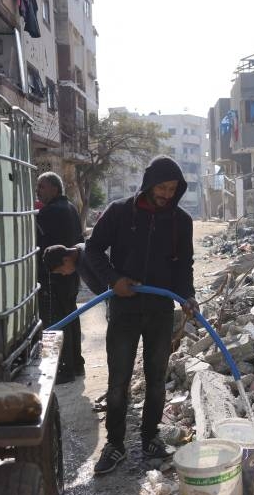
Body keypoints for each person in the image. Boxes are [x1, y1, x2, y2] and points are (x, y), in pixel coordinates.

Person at [85, 155, 198, 475]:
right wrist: (113, 280)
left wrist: (187, 295)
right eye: (161, 187)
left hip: (160, 311)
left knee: (156, 380)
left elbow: (183, 266)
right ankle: (115, 444)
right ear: (149, 183)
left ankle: (150, 439)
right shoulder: (120, 212)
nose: (166, 194)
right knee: (118, 381)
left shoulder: (181, 221)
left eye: (172, 188)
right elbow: (91, 250)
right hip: (124, 310)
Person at [36, 171, 84, 383]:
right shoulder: (71, 208)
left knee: (53, 322)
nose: (38, 191)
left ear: (55, 189)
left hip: (53, 276)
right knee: (70, 317)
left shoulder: (48, 213)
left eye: (42, 187)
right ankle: (75, 365)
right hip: (71, 275)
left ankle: (59, 371)